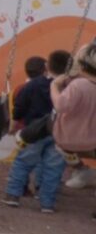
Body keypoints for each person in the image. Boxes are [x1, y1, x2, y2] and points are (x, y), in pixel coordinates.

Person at [2, 54, 64, 212]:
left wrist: (15, 122)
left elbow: (20, 105)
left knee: (23, 162)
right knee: (53, 168)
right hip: (58, 133)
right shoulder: (69, 87)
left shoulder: (34, 84)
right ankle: (47, 203)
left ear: (47, 67)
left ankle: (13, 195)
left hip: (33, 131)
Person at [50, 43, 96, 182]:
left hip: (68, 139)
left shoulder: (78, 85)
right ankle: (82, 172)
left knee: (46, 122)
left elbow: (60, 106)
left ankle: (80, 169)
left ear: (81, 65)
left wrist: (54, 86)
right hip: (92, 141)